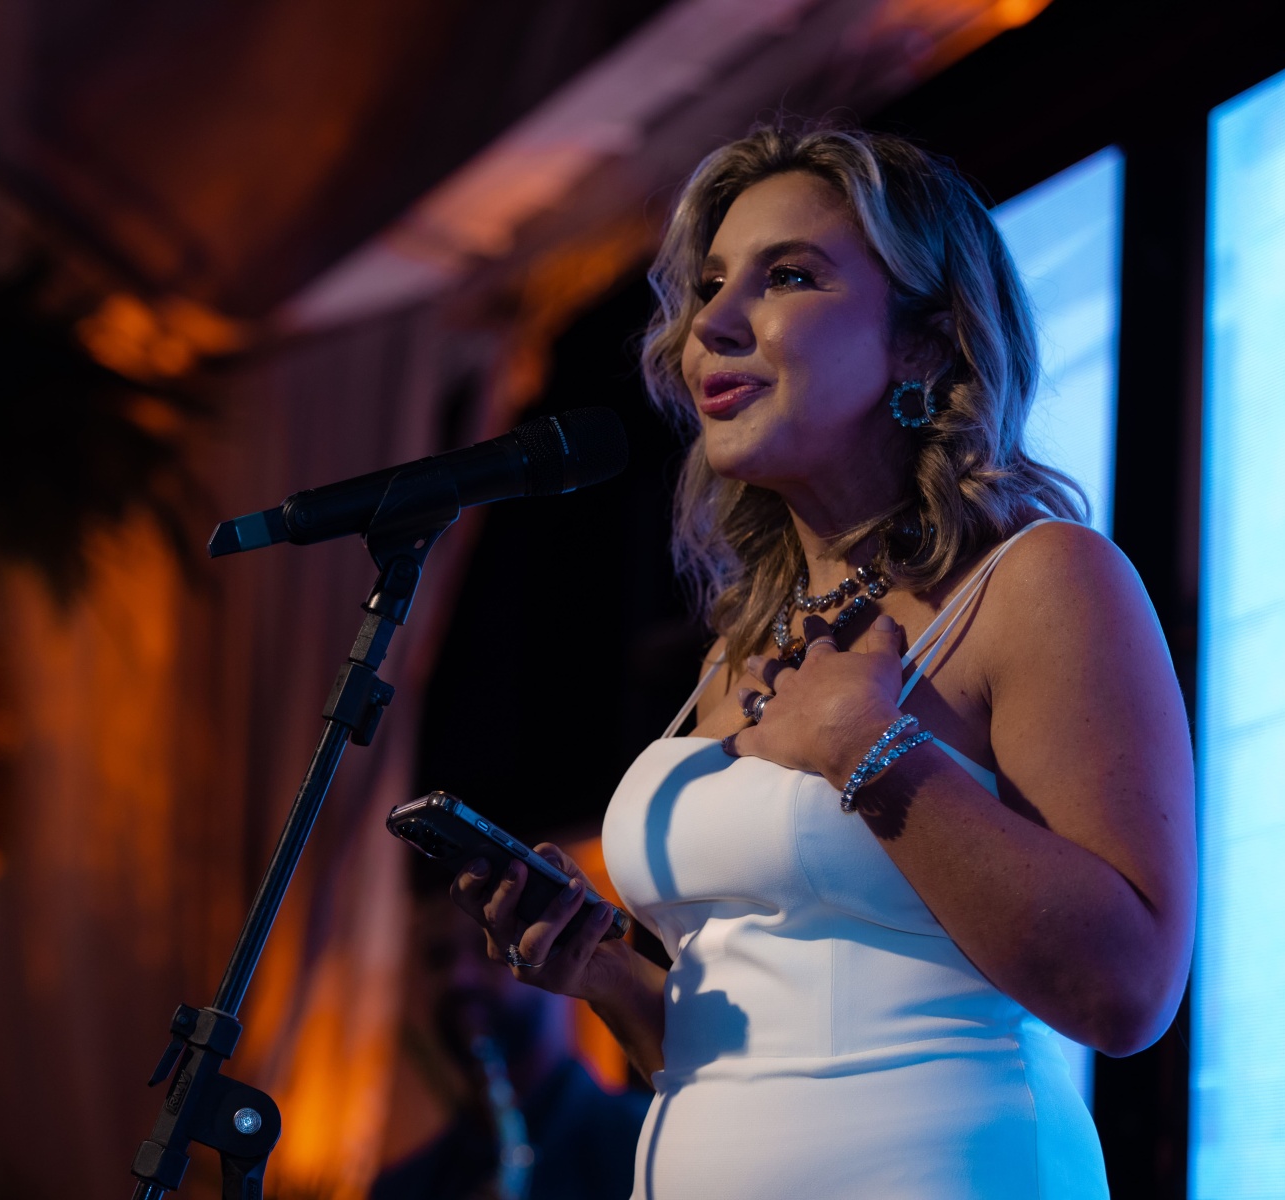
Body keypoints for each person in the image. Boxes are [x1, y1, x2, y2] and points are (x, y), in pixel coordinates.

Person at [448, 122, 1195, 1198]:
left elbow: (1126, 992)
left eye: (788, 276)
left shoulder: (1041, 579)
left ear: (926, 343)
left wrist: (870, 749)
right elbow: (749, 1065)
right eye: (711, 287)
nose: (713, 322)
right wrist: (606, 974)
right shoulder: (740, 642)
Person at [372, 865, 649, 1200]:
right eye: (439, 957)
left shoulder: (650, 1146)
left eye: (488, 947)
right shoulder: (401, 1188)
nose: (458, 977)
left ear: (557, 952)